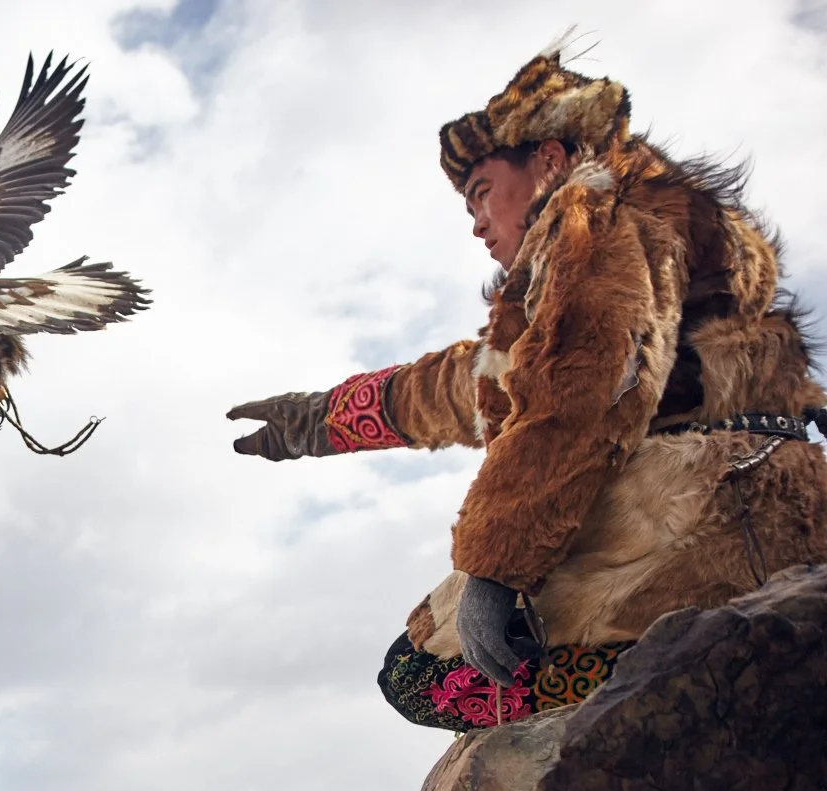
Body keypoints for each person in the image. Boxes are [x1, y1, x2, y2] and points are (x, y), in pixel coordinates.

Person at [229, 44, 827, 732]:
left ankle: (705, 678)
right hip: (777, 509)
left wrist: (497, 568)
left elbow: (578, 389)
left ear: (547, 159)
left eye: (481, 193)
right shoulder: (649, 228)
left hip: (703, 514)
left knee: (423, 673)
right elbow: (484, 381)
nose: (476, 222)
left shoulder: (591, 213)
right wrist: (320, 420)